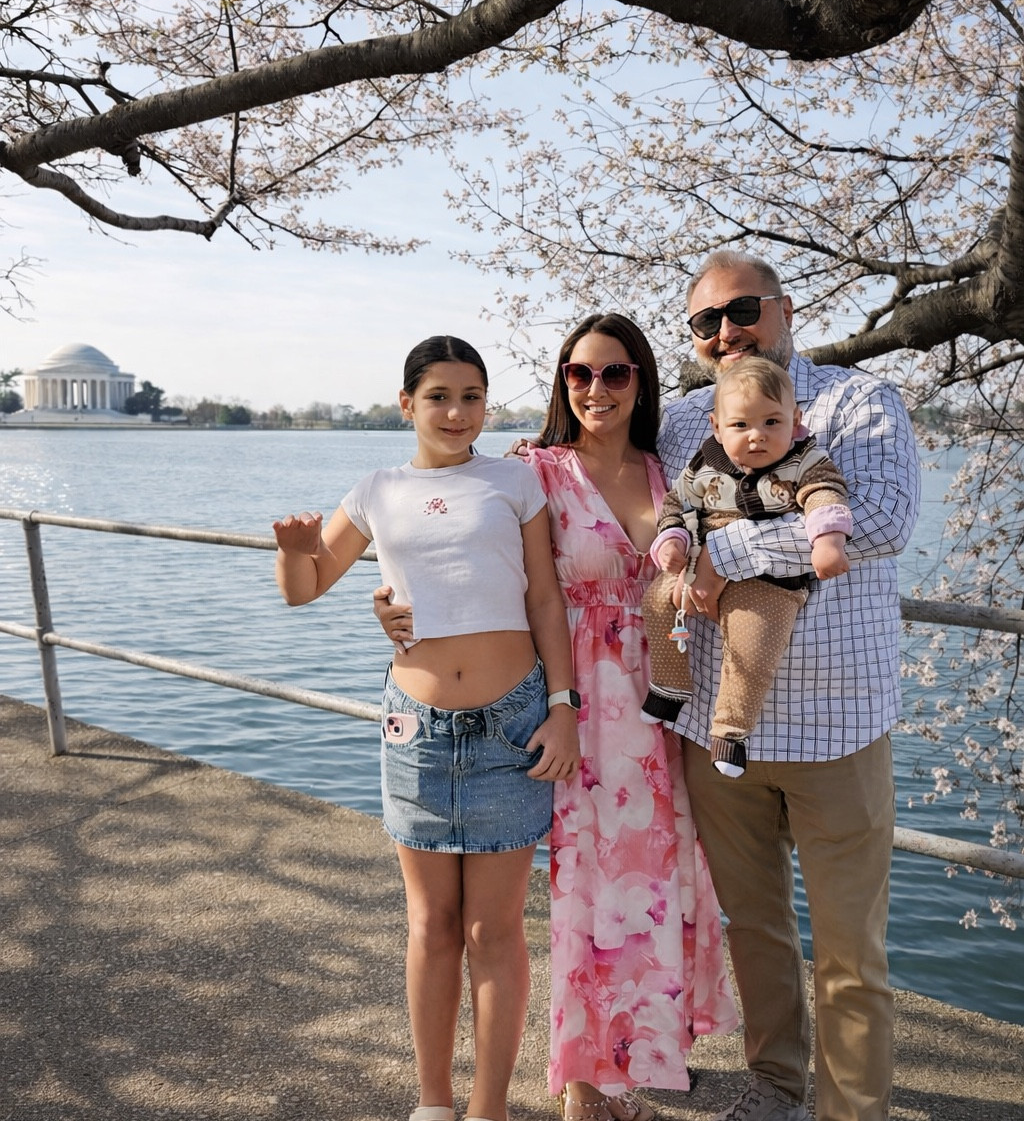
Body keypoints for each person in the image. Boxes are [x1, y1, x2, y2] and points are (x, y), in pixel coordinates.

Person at [377, 315, 738, 1121]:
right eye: (580, 374)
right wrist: (393, 608)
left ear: (640, 382)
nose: (596, 389)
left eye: (615, 374)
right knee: (582, 889)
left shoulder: (669, 469)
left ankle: (625, 1067)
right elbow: (454, 554)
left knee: (653, 885)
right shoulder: (531, 471)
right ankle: (580, 1082)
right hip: (565, 704)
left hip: (662, 704)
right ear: (560, 382)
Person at [274, 335, 581, 1121]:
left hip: (512, 724)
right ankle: (434, 1103)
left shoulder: (515, 483)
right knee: (432, 924)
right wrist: (293, 551)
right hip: (415, 729)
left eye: (472, 396)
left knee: (495, 928)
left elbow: (546, 602)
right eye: (438, 395)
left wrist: (563, 707)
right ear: (406, 403)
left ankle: (489, 1108)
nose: (456, 411)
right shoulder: (376, 488)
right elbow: (306, 589)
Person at [659, 251, 921, 1121]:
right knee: (756, 931)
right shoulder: (680, 419)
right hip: (714, 724)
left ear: (784, 309)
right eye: (705, 322)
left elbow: (879, 520)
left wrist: (727, 552)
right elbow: (615, 486)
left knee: (850, 950)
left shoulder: (858, 401)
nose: (725, 333)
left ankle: (851, 1111)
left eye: (741, 311)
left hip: (836, 725)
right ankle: (775, 1087)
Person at [641, 357, 852, 778]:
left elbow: (825, 495)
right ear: (717, 427)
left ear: (795, 420)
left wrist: (828, 540)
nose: (756, 436)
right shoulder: (706, 461)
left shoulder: (804, 460)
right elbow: (678, 503)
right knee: (656, 600)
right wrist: (672, 539)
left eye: (771, 422)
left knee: (751, 647)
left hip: (768, 579)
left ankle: (731, 732)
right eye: (740, 426)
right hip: (699, 559)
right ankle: (670, 684)